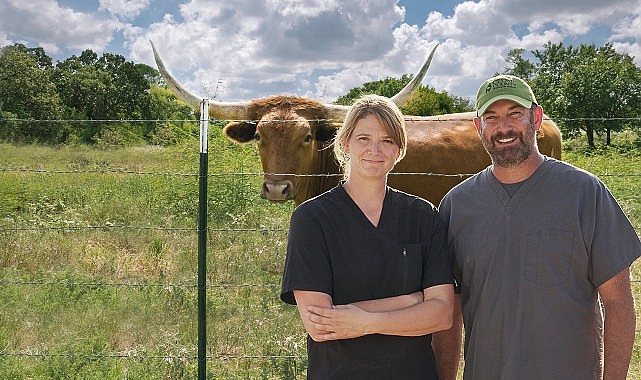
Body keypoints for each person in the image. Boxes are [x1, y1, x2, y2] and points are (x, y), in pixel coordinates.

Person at [437, 74, 641, 379]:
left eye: (514, 114)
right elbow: (448, 312)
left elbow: (618, 301)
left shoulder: (584, 194)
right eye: (491, 117)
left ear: (536, 117)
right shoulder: (457, 206)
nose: (503, 128)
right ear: (479, 128)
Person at [280, 94, 455, 379]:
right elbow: (320, 325)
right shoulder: (312, 219)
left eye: (387, 140)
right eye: (363, 138)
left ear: (399, 150)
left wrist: (364, 322)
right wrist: (410, 302)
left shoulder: (424, 216)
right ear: (345, 143)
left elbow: (442, 314)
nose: (375, 149)